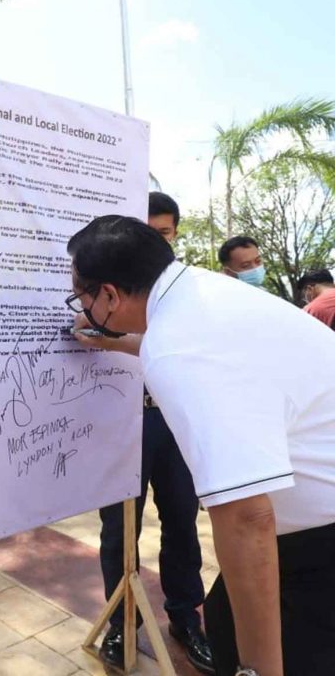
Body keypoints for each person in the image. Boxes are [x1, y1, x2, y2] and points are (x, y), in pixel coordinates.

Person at [66, 214, 335, 676]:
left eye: (83, 296)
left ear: (109, 294)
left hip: (319, 548)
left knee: (254, 648)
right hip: (311, 529)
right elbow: (189, 346)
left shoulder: (178, 346)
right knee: (227, 619)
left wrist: (259, 672)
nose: (82, 307)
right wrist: (119, 342)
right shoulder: (200, 292)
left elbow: (247, 516)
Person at [95, 193, 214, 674]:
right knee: (118, 531)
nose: (155, 241)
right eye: (146, 232)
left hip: (173, 420)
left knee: (183, 522)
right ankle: (122, 623)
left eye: (163, 232)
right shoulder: (107, 289)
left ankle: (187, 619)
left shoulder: (186, 292)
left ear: (175, 234)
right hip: (120, 423)